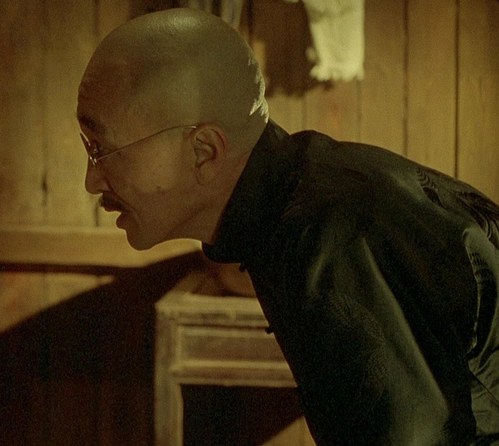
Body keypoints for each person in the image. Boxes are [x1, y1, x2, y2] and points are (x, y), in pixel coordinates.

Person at [77, 8, 499, 445]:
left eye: (101, 149)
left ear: (205, 151)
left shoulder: (331, 239)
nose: (91, 180)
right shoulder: (297, 208)